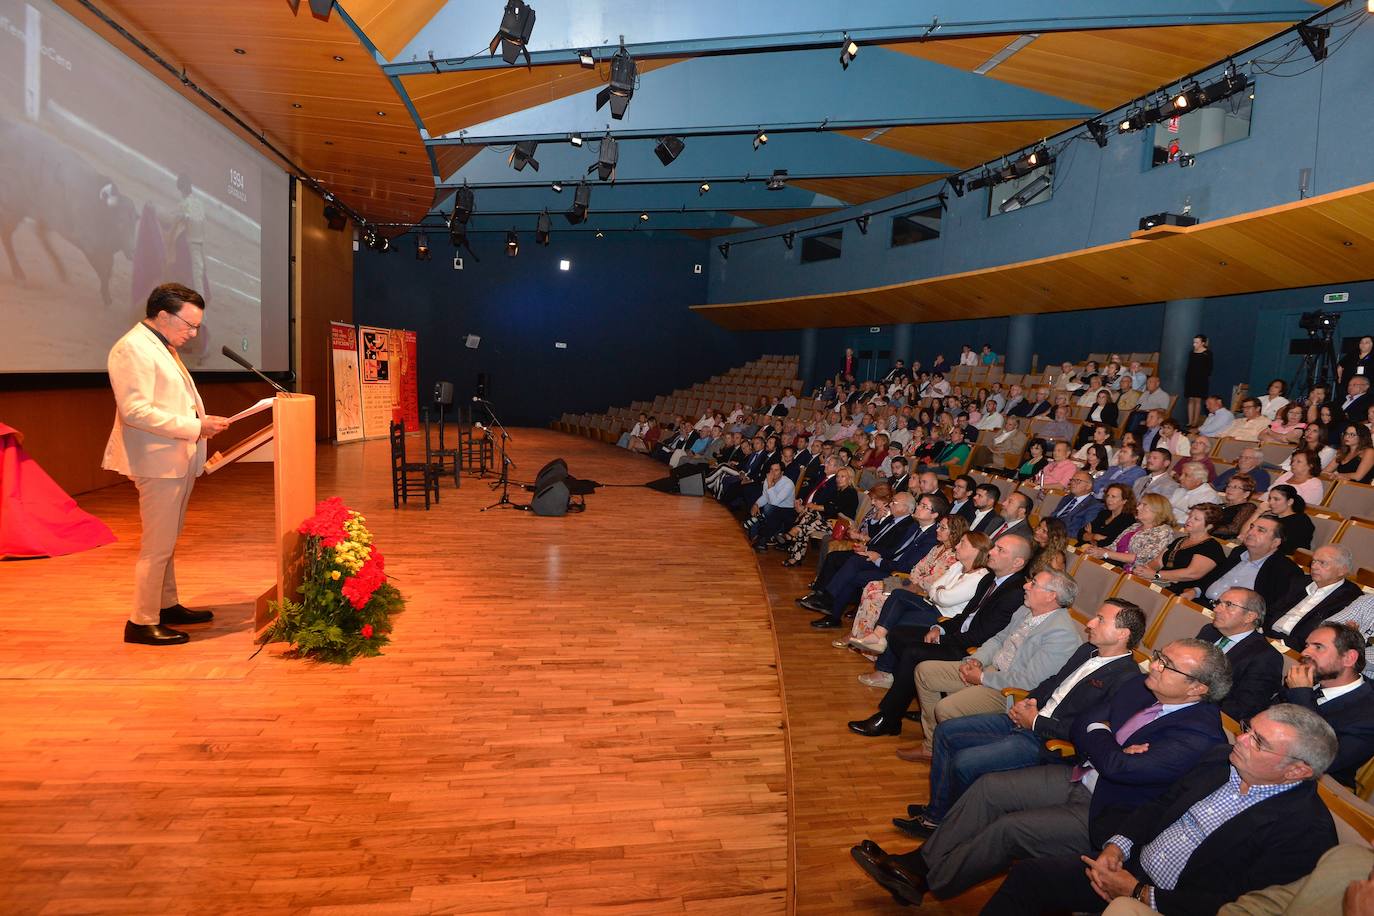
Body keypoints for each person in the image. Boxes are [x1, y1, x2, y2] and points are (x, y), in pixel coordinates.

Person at [851, 640, 1231, 906]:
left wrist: (1105, 742)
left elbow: (1119, 765)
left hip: (1108, 812)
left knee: (1010, 829)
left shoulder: (1198, 733)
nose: (1155, 665)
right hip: (1082, 773)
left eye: (1168, 665)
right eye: (1160, 656)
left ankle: (928, 882)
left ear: (1197, 688)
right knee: (989, 789)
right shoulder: (1142, 688)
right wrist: (1108, 741)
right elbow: (1087, 722)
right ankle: (917, 863)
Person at [985, 704, 1338, 916]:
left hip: (1170, 905)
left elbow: (1237, 906)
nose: (1241, 740)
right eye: (1248, 729)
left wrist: (1139, 893)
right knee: (1030, 875)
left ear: (1298, 770)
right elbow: (1161, 805)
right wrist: (1115, 847)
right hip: (1129, 866)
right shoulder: (1220, 760)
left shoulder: (1305, 830)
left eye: (1258, 742)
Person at [906, 600, 1146, 831]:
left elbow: (1089, 728)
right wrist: (1029, 701)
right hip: (1028, 719)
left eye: (1100, 620)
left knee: (965, 762)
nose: (1090, 623)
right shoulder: (1087, 651)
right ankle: (937, 814)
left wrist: (1036, 722)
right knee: (947, 731)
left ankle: (952, 823)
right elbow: (1054, 682)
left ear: (1122, 633)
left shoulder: (1127, 678)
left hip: (1048, 741)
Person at [105, 283, 231, 646]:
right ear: (162, 315)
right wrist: (197, 426)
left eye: (197, 327)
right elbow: (135, 411)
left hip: (175, 457)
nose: (193, 334)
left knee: (168, 540)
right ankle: (141, 621)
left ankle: (166, 603)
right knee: (156, 545)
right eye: (189, 325)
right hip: (156, 462)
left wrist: (201, 424)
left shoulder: (162, 344)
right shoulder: (132, 349)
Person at [847, 534, 1033, 738]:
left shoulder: (1014, 593)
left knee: (913, 652)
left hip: (973, 648)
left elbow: (983, 635)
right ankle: (917, 694)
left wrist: (942, 638)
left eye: (1000, 550)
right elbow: (965, 615)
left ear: (1017, 562)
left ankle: (889, 718)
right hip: (954, 629)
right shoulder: (990, 577)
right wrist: (939, 629)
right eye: (994, 547)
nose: (991, 551)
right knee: (899, 634)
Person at [905, 569, 1084, 759]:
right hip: (991, 669)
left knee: (946, 709)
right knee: (924, 671)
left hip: (1009, 691)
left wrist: (981, 677)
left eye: (1033, 583)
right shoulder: (1027, 609)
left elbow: (1028, 682)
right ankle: (931, 746)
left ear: (1051, 596)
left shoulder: (1061, 634)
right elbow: (998, 639)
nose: (1025, 585)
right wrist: (976, 660)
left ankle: (951, 756)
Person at [847, 519, 977, 664]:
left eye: (942, 528)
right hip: (910, 582)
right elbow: (917, 568)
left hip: (920, 591)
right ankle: (859, 635)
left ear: (954, 533)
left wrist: (918, 584)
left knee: (878, 596)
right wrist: (913, 581)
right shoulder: (937, 548)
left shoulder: (955, 558)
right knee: (871, 586)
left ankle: (871, 649)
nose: (937, 529)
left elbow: (933, 583)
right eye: (938, 526)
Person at [1280, 623, 1374, 789]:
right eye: (1307, 645)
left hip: (1316, 788)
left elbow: (1323, 760)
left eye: (1318, 647)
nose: (1304, 653)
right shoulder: (1313, 680)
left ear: (1349, 658)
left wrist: (1301, 694)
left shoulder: (1368, 714)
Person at [1200, 587, 1285, 721]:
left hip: (1208, 715)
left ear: (1250, 616)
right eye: (1218, 603)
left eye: (1228, 605)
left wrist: (1194, 698)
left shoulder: (1266, 657)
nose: (1216, 609)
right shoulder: (1209, 631)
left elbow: (1244, 708)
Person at [1197, 513, 1303, 611]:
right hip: (1203, 604)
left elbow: (1270, 609)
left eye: (1260, 530)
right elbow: (1214, 576)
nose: (1251, 532)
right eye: (1252, 527)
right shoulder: (1238, 552)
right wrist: (1197, 590)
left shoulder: (1285, 570)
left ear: (1275, 542)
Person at [1266, 545, 1364, 650]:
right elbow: (1273, 611)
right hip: (1267, 636)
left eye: (1322, 563)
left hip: (1295, 648)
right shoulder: (1299, 581)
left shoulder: (1350, 599)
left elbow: (1320, 639)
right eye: (1313, 561)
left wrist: (1279, 643)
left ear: (1342, 570)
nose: (1314, 566)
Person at [778, 464, 859, 566]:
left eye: (843, 477)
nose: (839, 479)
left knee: (806, 526)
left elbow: (833, 509)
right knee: (809, 515)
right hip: (830, 520)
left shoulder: (850, 493)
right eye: (838, 476)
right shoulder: (839, 491)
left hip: (841, 525)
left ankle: (794, 546)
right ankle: (794, 541)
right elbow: (827, 506)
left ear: (850, 478)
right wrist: (815, 508)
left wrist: (816, 507)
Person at [1081, 493, 1176, 574]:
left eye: (1144, 505)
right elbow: (1113, 546)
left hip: (1137, 574)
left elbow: (1141, 558)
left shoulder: (1164, 531)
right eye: (1139, 504)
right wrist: (1097, 551)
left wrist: (1105, 553)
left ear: (1157, 510)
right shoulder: (1135, 526)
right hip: (1116, 566)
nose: (1138, 507)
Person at [1147, 504, 1226, 595]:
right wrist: (1145, 570)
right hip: (1160, 583)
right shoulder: (1180, 540)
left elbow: (1191, 574)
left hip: (1182, 592)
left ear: (1209, 526)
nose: (1189, 520)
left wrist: (1156, 575)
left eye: (1196, 519)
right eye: (1190, 516)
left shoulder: (1211, 547)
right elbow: (1158, 561)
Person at [1243, 485, 1315, 555]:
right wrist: (1258, 512)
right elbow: (1242, 535)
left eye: (1276, 499)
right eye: (1270, 499)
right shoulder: (1270, 518)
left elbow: (1288, 549)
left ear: (1290, 502)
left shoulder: (1301, 521)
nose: (1271, 502)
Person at [1048, 471, 1104, 541]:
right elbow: (1054, 515)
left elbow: (1082, 532)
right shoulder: (1067, 498)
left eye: (1078, 481)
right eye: (1072, 480)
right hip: (1048, 530)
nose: (1072, 483)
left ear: (1088, 486)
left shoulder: (1094, 506)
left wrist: (1055, 533)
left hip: (1062, 537)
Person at [1081, 484, 1137, 549]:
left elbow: (1108, 543)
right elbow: (1081, 532)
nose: (1109, 499)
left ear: (1124, 501)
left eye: (1113, 497)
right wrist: (1095, 536)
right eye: (1107, 496)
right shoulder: (1104, 513)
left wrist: (1090, 536)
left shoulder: (1128, 520)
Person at [1213, 472, 1261, 539]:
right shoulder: (1220, 506)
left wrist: (1207, 529)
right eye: (1228, 486)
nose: (1229, 489)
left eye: (1235, 487)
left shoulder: (1248, 507)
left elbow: (1234, 529)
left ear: (1246, 494)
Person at [1185, 334, 1213, 428]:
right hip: (1191, 378)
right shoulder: (1191, 353)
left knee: (1197, 400)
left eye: (1197, 342)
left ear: (1203, 343)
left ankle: (1195, 421)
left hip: (1201, 379)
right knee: (1190, 399)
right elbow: (1189, 366)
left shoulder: (1207, 353)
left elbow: (1209, 368)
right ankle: (1189, 421)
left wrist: (1203, 376)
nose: (1194, 344)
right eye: (1194, 342)